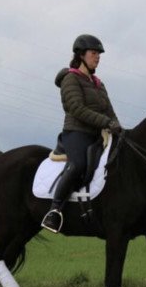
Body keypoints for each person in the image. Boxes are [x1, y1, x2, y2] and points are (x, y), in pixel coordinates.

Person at [41, 34, 122, 233]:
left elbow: (109, 111)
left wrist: (118, 127)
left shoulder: (98, 83)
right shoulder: (70, 79)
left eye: (99, 54)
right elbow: (77, 108)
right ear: (81, 55)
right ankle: (54, 211)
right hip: (76, 133)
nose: (98, 57)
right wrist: (106, 122)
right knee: (78, 165)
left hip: (98, 136)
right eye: (94, 53)